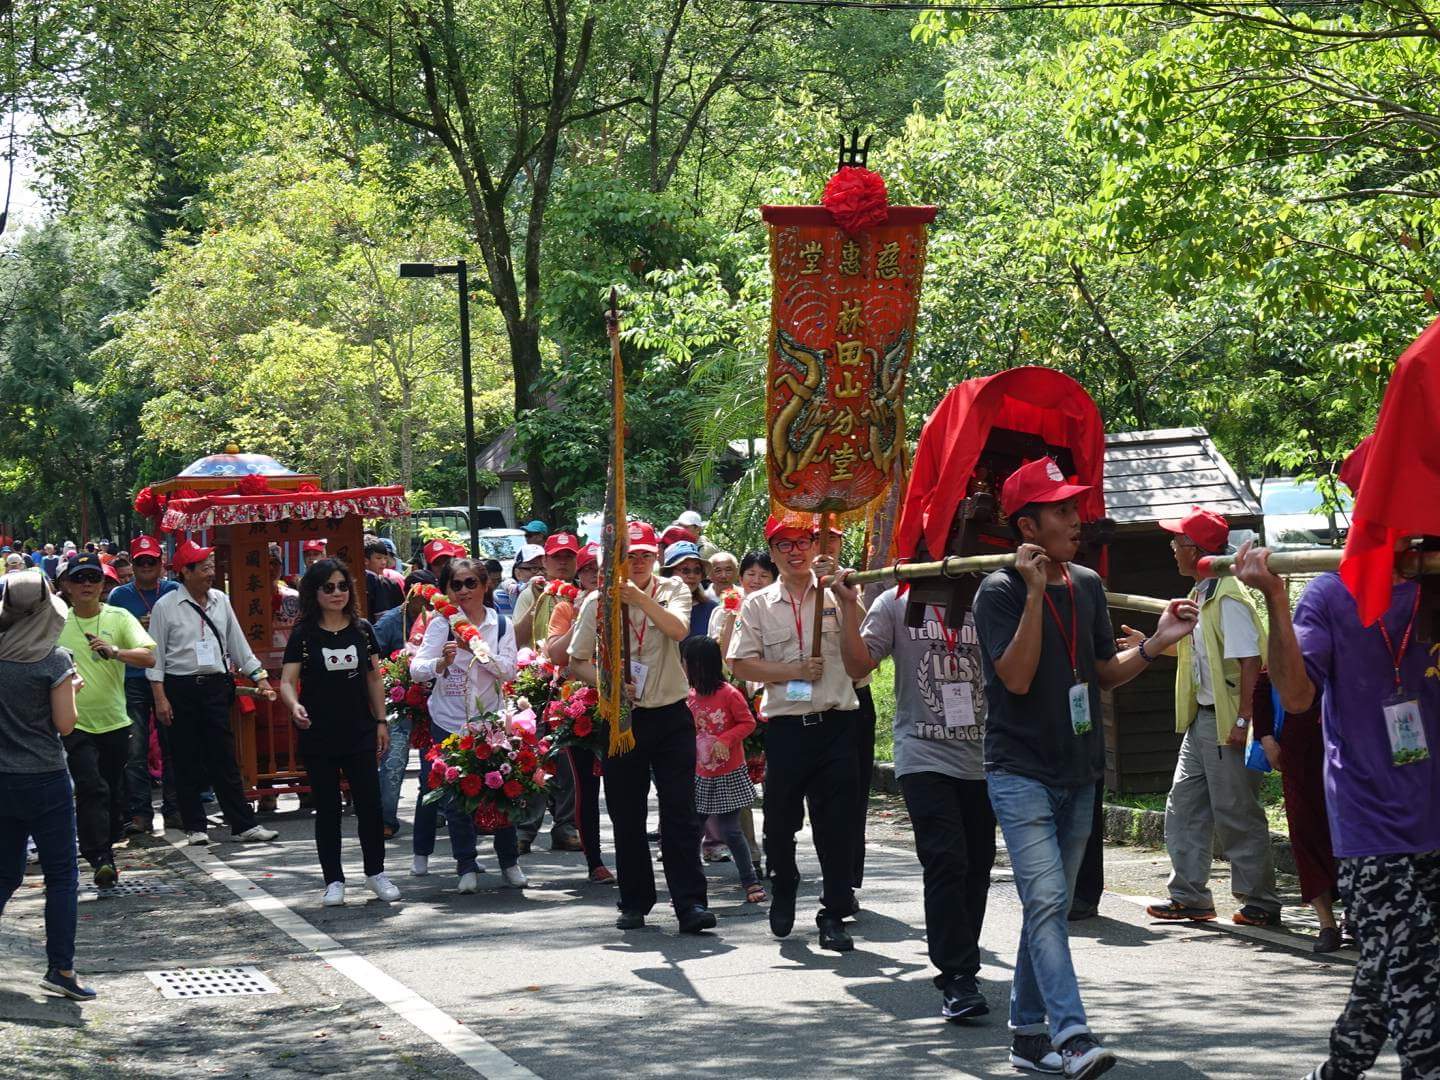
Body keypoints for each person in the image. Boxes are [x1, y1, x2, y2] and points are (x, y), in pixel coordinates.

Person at [972, 457, 1197, 1079]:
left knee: (1047, 906)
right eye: (1062, 510)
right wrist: (1035, 593)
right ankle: (1071, 1035)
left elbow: (1102, 672)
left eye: (1075, 507)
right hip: (1019, 771)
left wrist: (1156, 642)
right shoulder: (999, 590)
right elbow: (1017, 678)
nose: (1077, 519)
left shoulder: (1089, 584)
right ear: (1027, 526)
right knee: (1047, 900)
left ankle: (1027, 1037)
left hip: (1079, 769)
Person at [1234, 496, 1440, 1079]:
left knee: (1385, 969)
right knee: (1418, 978)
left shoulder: (1433, 589)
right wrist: (1276, 601)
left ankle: (1335, 1074)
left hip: (1433, 817)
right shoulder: (1329, 593)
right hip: (1369, 822)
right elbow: (1298, 697)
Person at [848, 581, 995, 1022]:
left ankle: (962, 959)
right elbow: (858, 665)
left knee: (978, 864)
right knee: (946, 858)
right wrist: (844, 604)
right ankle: (958, 975)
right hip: (922, 752)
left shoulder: (989, 595)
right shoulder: (895, 601)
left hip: (984, 756)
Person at [728, 514, 870, 952]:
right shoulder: (757, 604)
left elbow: (865, 656)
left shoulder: (840, 589)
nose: (795, 552)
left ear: (814, 546)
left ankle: (834, 912)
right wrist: (793, 670)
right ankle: (785, 883)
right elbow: (741, 663)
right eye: (784, 545)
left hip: (838, 722)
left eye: (802, 542)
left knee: (838, 825)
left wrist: (847, 599)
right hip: (788, 728)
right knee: (780, 821)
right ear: (772, 553)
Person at [568, 521, 714, 934]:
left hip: (670, 713)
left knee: (680, 811)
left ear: (656, 558)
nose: (637, 562)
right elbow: (576, 661)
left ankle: (690, 903)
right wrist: (610, 683)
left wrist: (638, 598)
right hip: (623, 720)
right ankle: (634, 900)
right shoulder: (597, 600)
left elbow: (678, 630)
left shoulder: (672, 589)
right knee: (626, 813)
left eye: (646, 555)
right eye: (629, 556)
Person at [1146, 506, 1280, 927]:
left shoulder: (1229, 596)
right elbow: (1201, 652)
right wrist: (1148, 644)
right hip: (1202, 719)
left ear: (1195, 548)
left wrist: (1243, 720)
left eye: (1177, 541)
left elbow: (1250, 661)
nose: (1172, 548)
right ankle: (1189, 896)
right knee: (1183, 807)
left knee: (1237, 811)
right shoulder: (1202, 591)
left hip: (1228, 719)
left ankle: (1260, 901)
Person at [279, 559, 400, 907]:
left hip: (360, 729)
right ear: (314, 592)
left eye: (343, 586)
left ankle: (376, 873)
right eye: (329, 587)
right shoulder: (303, 634)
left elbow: (374, 677)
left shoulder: (362, 630)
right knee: (328, 808)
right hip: (318, 732)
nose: (337, 593)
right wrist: (294, 706)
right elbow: (287, 681)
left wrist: (381, 721)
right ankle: (333, 880)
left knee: (370, 805)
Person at [0, 570, 96, 1001]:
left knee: (5, 874)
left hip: (3, 780)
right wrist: (72, 688)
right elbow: (65, 724)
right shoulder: (55, 660)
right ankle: (61, 969)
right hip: (46, 780)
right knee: (61, 877)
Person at [145, 540, 280, 846]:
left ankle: (243, 824)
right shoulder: (166, 606)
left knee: (224, 757)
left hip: (216, 687)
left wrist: (259, 676)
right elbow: (156, 658)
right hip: (180, 688)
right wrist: (160, 698)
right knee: (186, 759)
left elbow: (237, 643)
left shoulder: (221, 600)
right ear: (186, 571)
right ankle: (195, 827)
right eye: (204, 568)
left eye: (210, 567)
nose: (210, 573)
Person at [409, 558, 525, 892]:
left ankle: (509, 862)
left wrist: (478, 650)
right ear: (447, 590)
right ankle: (466, 865)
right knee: (455, 798)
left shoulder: (500, 624)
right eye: (455, 585)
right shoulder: (440, 624)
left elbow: (509, 670)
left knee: (501, 790)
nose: (463, 591)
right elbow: (417, 670)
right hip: (448, 720)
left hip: (489, 721)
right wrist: (442, 661)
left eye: (470, 583)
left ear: (485, 586)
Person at [56, 554, 156, 889]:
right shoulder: (56, 622)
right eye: (79, 578)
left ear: (103, 584)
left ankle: (107, 842)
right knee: (91, 787)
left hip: (115, 721)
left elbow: (149, 656)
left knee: (112, 791)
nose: (87, 584)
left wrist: (115, 652)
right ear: (67, 585)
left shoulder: (119, 616)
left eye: (93, 578)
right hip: (74, 723)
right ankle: (100, 857)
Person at [1252, 672, 1342, 952]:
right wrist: (1266, 738)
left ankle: (1357, 915)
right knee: (1305, 833)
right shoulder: (1296, 643)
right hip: (1299, 749)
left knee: (1353, 831)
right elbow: (1264, 681)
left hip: (1350, 743)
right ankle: (1327, 924)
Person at [812, 520, 876, 894]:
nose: (825, 546)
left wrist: (842, 590)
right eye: (816, 539)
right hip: (814, 700)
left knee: (855, 791)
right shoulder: (794, 587)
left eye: (832, 540)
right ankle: (831, 871)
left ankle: (848, 878)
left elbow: (867, 632)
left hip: (854, 697)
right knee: (820, 796)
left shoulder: (852, 580)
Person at [511, 531, 582, 853]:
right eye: (557, 557)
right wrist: (537, 602)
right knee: (535, 756)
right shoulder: (533, 592)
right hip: (536, 685)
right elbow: (516, 638)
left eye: (569, 556)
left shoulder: (584, 592)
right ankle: (525, 830)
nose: (563, 562)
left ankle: (566, 826)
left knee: (570, 761)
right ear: (546, 561)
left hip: (575, 683)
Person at [109, 535, 182, 833]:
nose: (147, 566)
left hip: (169, 676)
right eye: (141, 561)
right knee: (135, 749)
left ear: (161, 562)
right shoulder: (119, 596)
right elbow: (112, 635)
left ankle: (175, 808)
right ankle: (140, 813)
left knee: (173, 745)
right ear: (133, 564)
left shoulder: (174, 591)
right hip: (133, 678)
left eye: (152, 560)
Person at [684, 635, 764, 903]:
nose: (684, 667)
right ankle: (688, 887)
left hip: (728, 774)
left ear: (699, 664)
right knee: (692, 830)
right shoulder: (688, 696)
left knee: (731, 831)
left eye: (687, 662)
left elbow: (748, 723)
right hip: (701, 775)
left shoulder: (729, 693)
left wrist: (725, 739)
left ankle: (750, 882)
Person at [375, 569, 437, 838]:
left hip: (434, 699)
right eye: (417, 593)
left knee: (433, 761)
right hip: (399, 698)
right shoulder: (390, 621)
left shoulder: (441, 618)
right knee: (394, 760)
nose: (423, 599)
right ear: (407, 593)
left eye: (429, 592)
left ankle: (434, 811)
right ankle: (385, 818)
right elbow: (372, 659)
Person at [662, 541, 715, 639]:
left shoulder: (712, 609)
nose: (692, 576)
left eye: (697, 570)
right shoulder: (656, 607)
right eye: (685, 570)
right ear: (669, 573)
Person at [365, 540, 404, 615]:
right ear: (365, 560)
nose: (383, 562)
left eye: (385, 558)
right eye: (378, 558)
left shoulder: (392, 584)